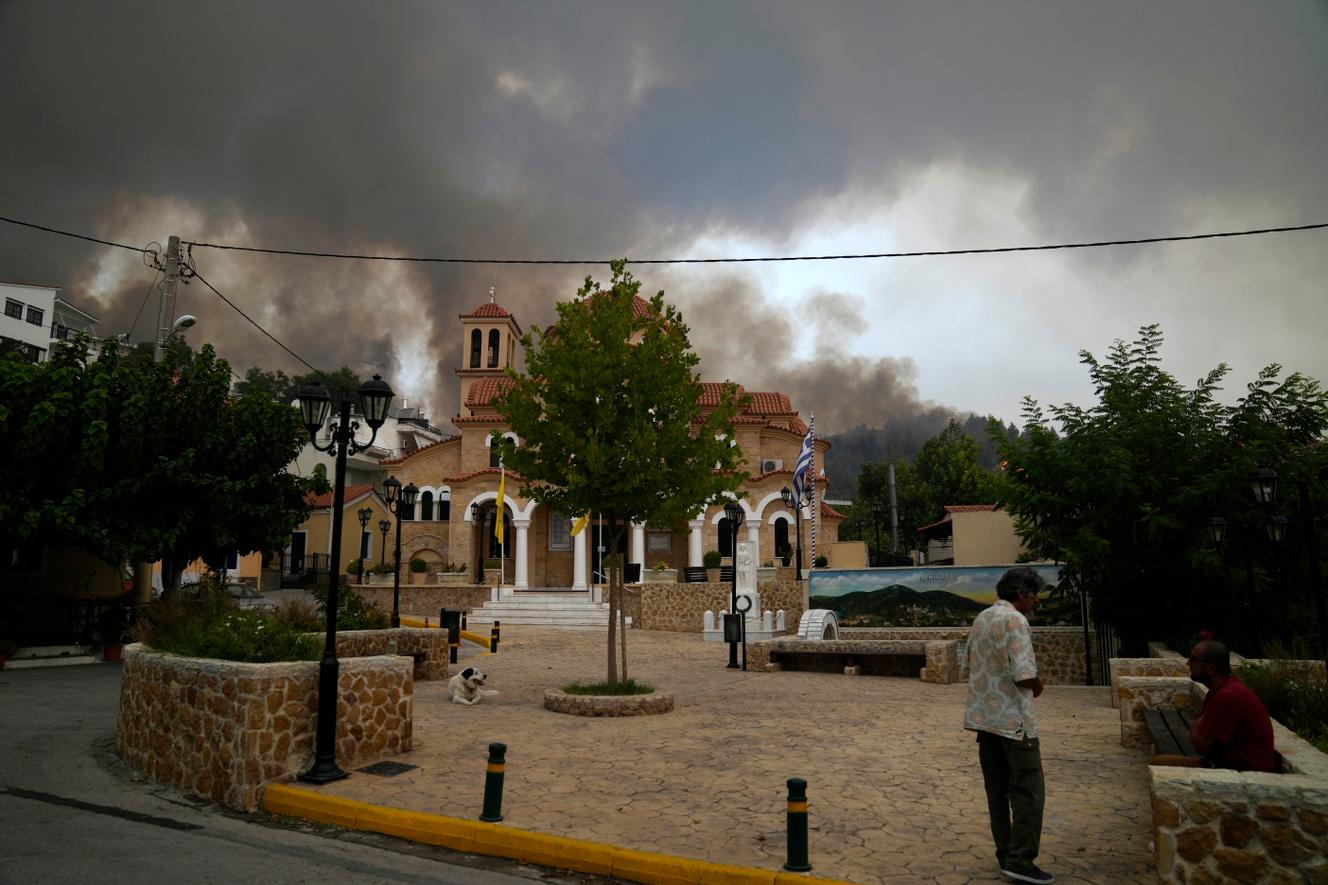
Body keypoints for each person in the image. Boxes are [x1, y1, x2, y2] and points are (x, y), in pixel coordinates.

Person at [964, 567, 1053, 885]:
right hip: (1015, 722)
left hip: (985, 719)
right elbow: (1024, 673)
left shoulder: (982, 618)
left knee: (997, 792)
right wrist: (1039, 687)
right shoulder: (1015, 620)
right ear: (1022, 594)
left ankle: (1006, 855)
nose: (1036, 600)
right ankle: (1021, 860)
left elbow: (969, 663)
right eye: (1034, 594)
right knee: (1029, 792)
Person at [1187, 639, 1277, 772]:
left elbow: (1199, 745)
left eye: (1193, 659)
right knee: (1161, 762)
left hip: (1242, 773)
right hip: (1227, 764)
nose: (1188, 663)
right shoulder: (1224, 687)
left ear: (1210, 668)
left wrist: (1196, 727)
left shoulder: (1227, 695)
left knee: (1161, 764)